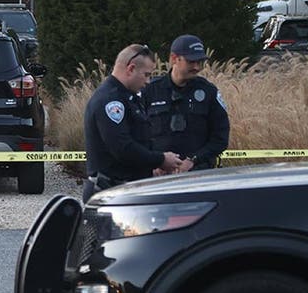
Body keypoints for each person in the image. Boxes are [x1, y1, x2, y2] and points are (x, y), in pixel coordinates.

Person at [82, 44, 182, 202]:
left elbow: (140, 140)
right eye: (146, 75)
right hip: (109, 193)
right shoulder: (111, 100)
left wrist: (151, 166)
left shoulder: (129, 98)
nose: (148, 81)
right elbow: (122, 148)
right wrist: (160, 160)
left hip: (125, 191)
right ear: (131, 69)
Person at [142, 34, 230, 173]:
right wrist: (155, 162)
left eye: (200, 62)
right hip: (158, 177)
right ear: (174, 59)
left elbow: (220, 139)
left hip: (198, 173)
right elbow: (137, 135)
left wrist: (192, 160)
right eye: (191, 61)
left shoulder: (209, 92)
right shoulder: (150, 91)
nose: (196, 67)